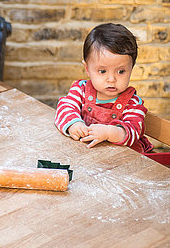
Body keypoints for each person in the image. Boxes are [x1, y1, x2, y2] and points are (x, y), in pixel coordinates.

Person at [54, 23, 153, 153]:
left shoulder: (132, 103)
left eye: (121, 71)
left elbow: (133, 130)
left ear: (131, 69)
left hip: (122, 161)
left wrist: (109, 132)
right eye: (102, 71)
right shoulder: (81, 90)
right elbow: (65, 107)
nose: (111, 79)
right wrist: (74, 124)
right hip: (89, 156)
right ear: (87, 69)